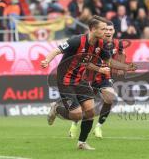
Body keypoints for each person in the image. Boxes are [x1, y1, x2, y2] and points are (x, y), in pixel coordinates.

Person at [41, 16, 136, 150]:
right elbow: (57, 50)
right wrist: (47, 60)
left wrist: (124, 66)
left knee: (90, 112)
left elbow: (107, 61)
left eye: (107, 29)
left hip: (81, 79)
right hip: (65, 80)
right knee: (77, 114)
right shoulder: (77, 40)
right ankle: (56, 108)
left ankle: (82, 143)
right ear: (93, 29)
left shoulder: (102, 45)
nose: (106, 32)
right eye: (103, 29)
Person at [68, 21, 126, 139]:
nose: (108, 32)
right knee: (86, 105)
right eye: (106, 29)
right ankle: (75, 123)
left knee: (110, 98)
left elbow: (121, 55)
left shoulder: (118, 44)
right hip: (88, 76)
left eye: (111, 30)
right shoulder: (95, 41)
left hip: (105, 77)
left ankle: (99, 126)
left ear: (114, 31)